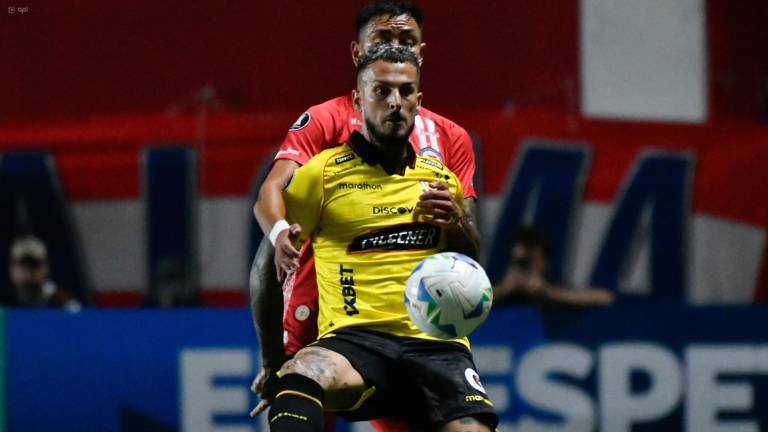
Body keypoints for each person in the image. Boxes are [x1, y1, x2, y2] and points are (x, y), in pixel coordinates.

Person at [249, 1, 481, 429]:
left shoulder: (451, 138)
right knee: (302, 387)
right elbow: (273, 192)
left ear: (421, 55)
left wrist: (457, 225)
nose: (395, 47)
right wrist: (280, 232)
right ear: (358, 53)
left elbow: (468, 245)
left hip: (413, 315)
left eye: (406, 41)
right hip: (324, 299)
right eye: (383, 39)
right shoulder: (325, 119)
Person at [493, 225, 615, 307]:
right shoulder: (501, 294)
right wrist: (503, 289)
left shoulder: (555, 287)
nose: (527, 268)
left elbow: (605, 297)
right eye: (521, 263)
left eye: (531, 261)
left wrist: (546, 291)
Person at [4, 235, 80, 311]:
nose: (29, 272)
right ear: (12, 268)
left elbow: (76, 312)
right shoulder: (5, 296)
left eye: (33, 265)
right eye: (23, 266)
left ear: (44, 268)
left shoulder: (56, 296)